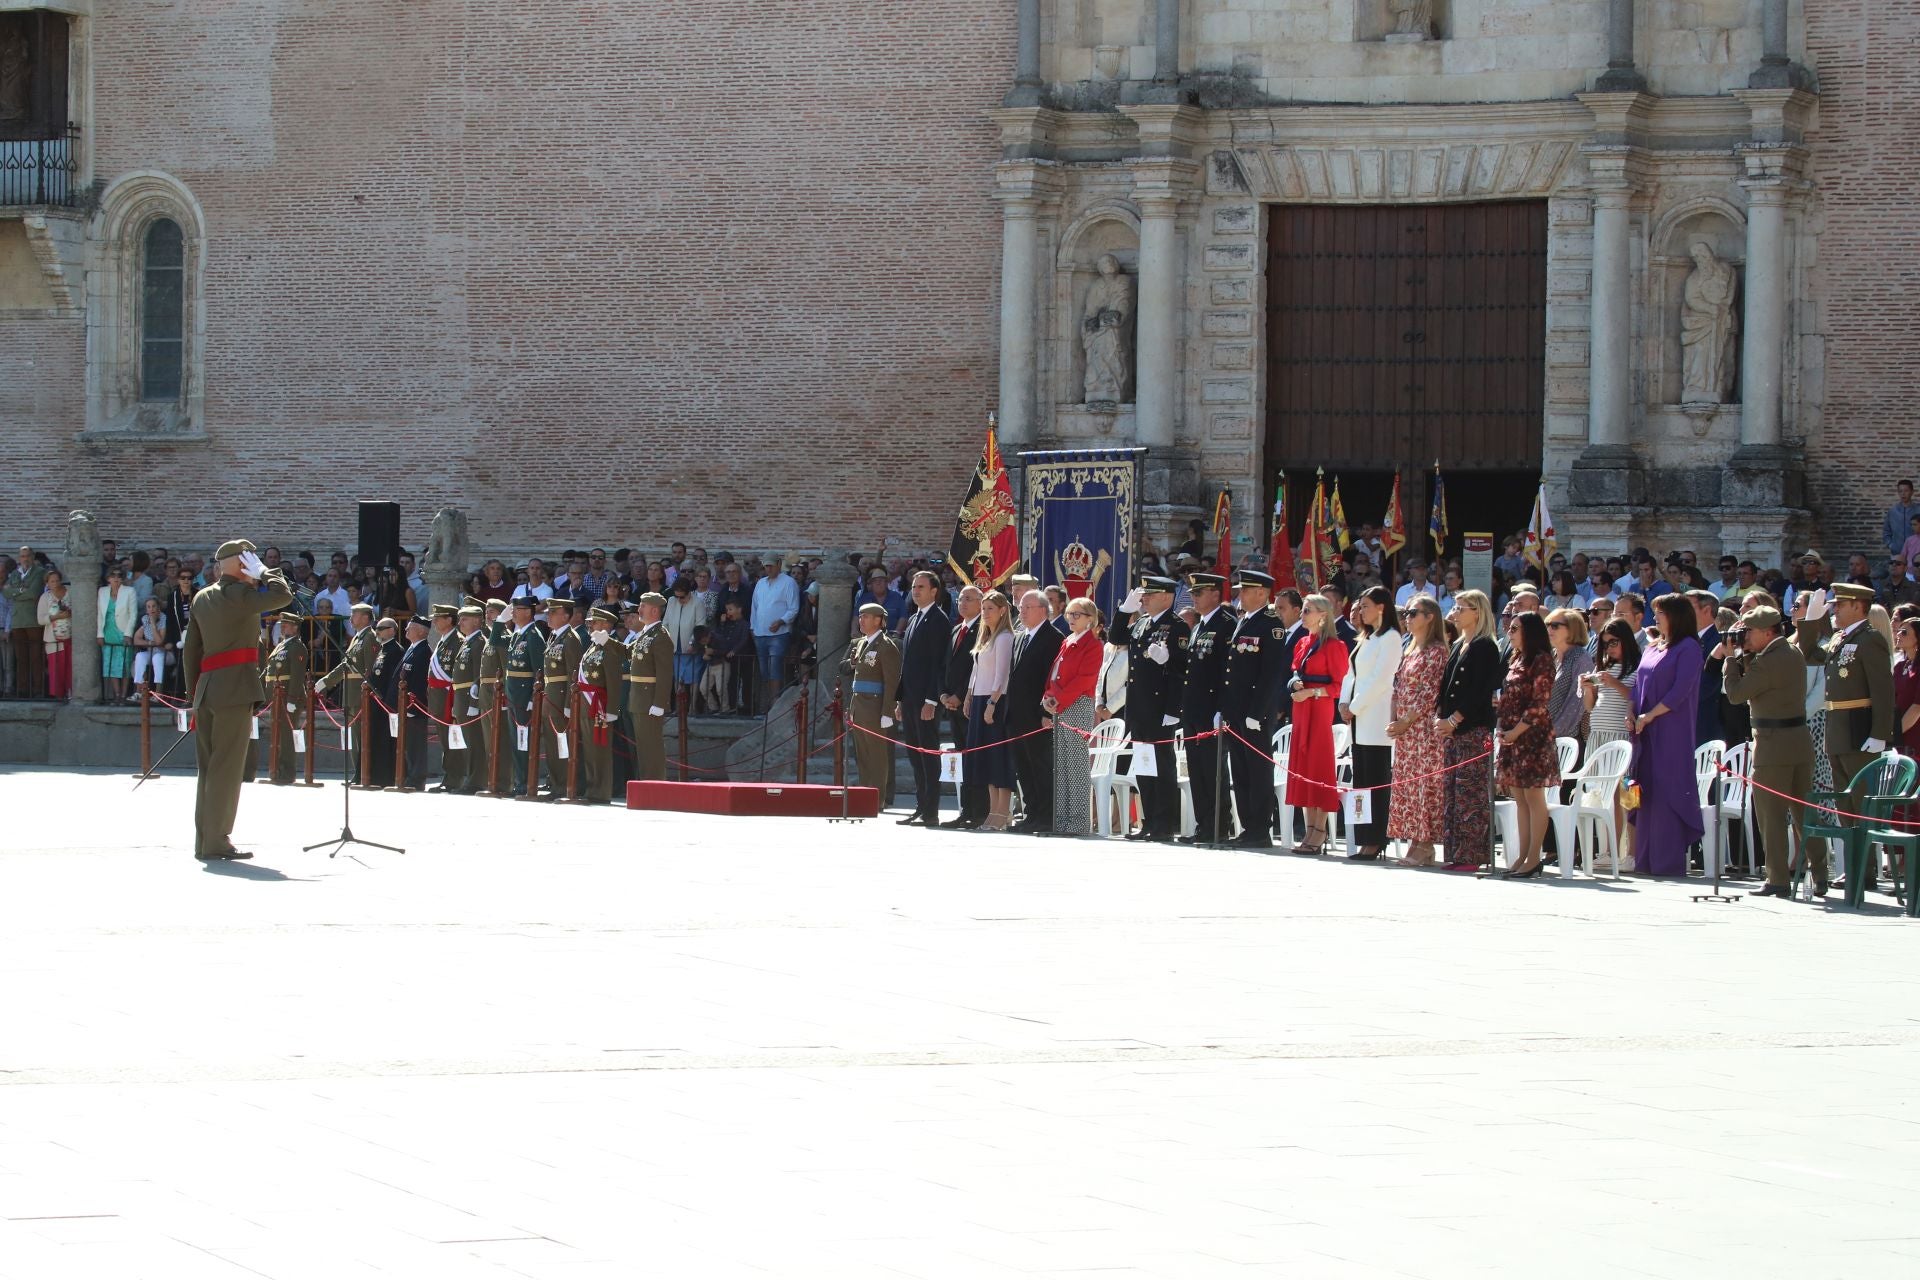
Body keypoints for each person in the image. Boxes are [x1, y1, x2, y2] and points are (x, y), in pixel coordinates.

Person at [181, 540, 294, 860]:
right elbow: (282, 596)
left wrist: (194, 694)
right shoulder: (240, 595)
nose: (253, 564)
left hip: (207, 689)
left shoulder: (203, 597)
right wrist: (268, 572)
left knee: (209, 768)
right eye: (249, 559)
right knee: (227, 769)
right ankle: (217, 841)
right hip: (234, 690)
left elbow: (192, 650)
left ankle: (204, 839)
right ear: (239, 564)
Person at [1793, 582, 1895, 890]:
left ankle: (1864, 871)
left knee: (1859, 803)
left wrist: (1880, 733)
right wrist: (1809, 620)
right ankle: (1855, 869)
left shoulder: (1870, 639)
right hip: (1837, 729)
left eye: (1841, 604)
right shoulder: (1840, 638)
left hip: (1859, 729)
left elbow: (1883, 691)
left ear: (1858, 606)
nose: (1835, 609)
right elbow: (1809, 652)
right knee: (1844, 807)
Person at [1723, 606, 1820, 897]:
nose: (1744, 637)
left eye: (1749, 632)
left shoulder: (1767, 661)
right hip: (1798, 740)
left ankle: (1777, 878)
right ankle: (1821, 872)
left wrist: (1730, 660)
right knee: (1805, 813)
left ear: (1767, 632)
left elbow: (1737, 694)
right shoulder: (1792, 652)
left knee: (1771, 814)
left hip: (1772, 743)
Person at [1625, 594, 1705, 877]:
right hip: (1643, 731)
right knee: (1643, 790)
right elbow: (1637, 685)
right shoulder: (1651, 648)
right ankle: (1643, 859)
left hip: (1671, 731)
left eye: (1660, 613)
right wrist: (1632, 711)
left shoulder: (1689, 648)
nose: (1655, 618)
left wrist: (1651, 715)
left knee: (1666, 790)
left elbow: (1680, 690)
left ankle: (1666, 861)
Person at [1219, 570, 1290, 850]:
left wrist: (1257, 712)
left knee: (1258, 769)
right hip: (1237, 709)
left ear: (1262, 593)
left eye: (1245, 590)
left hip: (1255, 712)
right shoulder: (1245, 621)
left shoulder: (1270, 625)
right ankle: (1248, 826)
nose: (1240, 595)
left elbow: (1269, 675)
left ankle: (1260, 828)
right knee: (1240, 769)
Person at [1437, 589, 1501, 871]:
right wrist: (1441, 718)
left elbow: (1479, 691)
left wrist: (1455, 719)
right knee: (1453, 791)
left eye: (1463, 608)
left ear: (1477, 611)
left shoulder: (1485, 646)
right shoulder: (1459, 644)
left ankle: (1472, 855)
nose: (1457, 612)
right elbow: (1446, 686)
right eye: (1456, 607)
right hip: (1453, 729)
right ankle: (1455, 852)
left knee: (1471, 794)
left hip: (1472, 728)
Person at [1124, 577, 1190, 842]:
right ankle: (1148, 820)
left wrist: (1173, 708)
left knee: (1162, 766)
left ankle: (1164, 824)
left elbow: (1181, 671)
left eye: (1150, 595)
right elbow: (1117, 636)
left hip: (1160, 707)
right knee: (1143, 766)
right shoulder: (1140, 623)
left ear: (1166, 597)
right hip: (1139, 706)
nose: (1145, 599)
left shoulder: (1177, 626)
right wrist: (1124, 611)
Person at [1284, 594, 1351, 855]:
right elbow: (1294, 672)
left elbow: (1338, 686)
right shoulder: (1302, 642)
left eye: (1307, 610)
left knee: (1318, 767)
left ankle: (1319, 830)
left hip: (1319, 709)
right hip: (1301, 708)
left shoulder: (1335, 646)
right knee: (1302, 766)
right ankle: (1309, 827)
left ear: (1323, 615)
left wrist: (1311, 693)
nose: (1302, 615)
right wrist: (1295, 685)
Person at [1495, 611, 1560, 878]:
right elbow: (1506, 697)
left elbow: (1539, 703)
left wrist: (1517, 731)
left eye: (1514, 629)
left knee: (1534, 797)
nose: (1509, 633)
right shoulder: (1516, 659)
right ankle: (1522, 854)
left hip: (1532, 738)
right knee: (1519, 797)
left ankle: (1534, 856)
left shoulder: (1542, 660)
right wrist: (1502, 727)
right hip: (1511, 735)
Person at [1387, 595, 1448, 866]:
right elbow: (1398, 686)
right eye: (1407, 613)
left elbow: (1429, 693)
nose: (1408, 618)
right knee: (1409, 787)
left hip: (1423, 729)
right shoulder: (1409, 648)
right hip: (1406, 732)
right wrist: (1394, 719)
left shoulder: (1437, 651)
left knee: (1425, 786)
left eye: (1414, 613)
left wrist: (1406, 720)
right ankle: (1415, 840)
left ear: (1430, 617)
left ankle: (1425, 844)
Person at [1343, 586, 1402, 859]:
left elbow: (1381, 680)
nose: (1360, 611)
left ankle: (1376, 839)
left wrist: (1354, 706)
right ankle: (1363, 836)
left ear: (1381, 607)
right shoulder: (1366, 638)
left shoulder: (1390, 637)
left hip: (1375, 720)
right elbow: (1351, 674)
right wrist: (1344, 702)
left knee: (1376, 782)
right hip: (1358, 722)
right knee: (1361, 782)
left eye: (1365, 605)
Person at [1179, 573, 1234, 844]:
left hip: (1212, 709)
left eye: (1199, 593)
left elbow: (1227, 672)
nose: (1194, 598)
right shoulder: (1201, 625)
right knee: (1197, 771)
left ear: (1215, 594)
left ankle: (1219, 826)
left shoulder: (1226, 625)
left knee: (1214, 771)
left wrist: (1221, 709)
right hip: (1194, 710)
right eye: (1193, 593)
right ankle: (1203, 825)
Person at [1041, 597, 1103, 836]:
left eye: (1077, 614)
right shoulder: (1067, 641)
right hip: (1061, 705)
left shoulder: (1093, 644)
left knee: (1076, 765)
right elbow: (1054, 673)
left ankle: (1077, 822)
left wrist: (1060, 699)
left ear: (1090, 618)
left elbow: (1085, 679)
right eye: (1069, 614)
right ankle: (1062, 820)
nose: (1071, 619)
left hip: (1077, 704)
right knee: (1062, 765)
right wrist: (1049, 695)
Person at [894, 570, 952, 826]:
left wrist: (931, 701)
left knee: (928, 755)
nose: (915, 590)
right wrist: (900, 699)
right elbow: (908, 664)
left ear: (933, 591)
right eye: (913, 586)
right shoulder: (916, 617)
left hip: (925, 701)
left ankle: (931, 811)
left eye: (921, 587)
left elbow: (939, 664)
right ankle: (921, 806)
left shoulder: (938, 620)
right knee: (915, 755)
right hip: (910, 698)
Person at [1005, 590, 1064, 832]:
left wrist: (1046, 712)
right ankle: (1030, 813)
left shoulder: (1053, 637)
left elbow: (1051, 679)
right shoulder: (1021, 637)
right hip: (1017, 714)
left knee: (1040, 766)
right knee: (1023, 767)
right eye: (1020, 606)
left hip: (1037, 715)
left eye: (1027, 607)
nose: (1022, 610)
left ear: (1043, 609)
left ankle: (1045, 816)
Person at [965, 590, 1017, 831]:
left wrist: (992, 703)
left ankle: (1002, 812)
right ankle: (992, 810)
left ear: (1003, 611)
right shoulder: (985, 637)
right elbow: (977, 671)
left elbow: (1002, 674)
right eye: (983, 609)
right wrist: (969, 696)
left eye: (990, 609)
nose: (985, 613)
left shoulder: (1005, 637)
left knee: (998, 757)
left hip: (995, 699)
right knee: (984, 758)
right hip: (978, 698)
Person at [842, 602, 902, 804]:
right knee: (863, 755)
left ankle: (877, 798)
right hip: (859, 704)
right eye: (860, 616)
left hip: (876, 706)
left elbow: (892, 681)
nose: (861, 620)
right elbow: (847, 669)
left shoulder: (886, 646)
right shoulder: (860, 643)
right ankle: (865, 795)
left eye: (866, 617)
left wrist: (888, 711)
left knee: (877, 755)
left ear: (879, 620)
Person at [940, 585, 987, 829]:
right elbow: (946, 665)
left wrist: (959, 695)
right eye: (960, 599)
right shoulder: (956, 629)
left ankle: (978, 812)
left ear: (981, 602)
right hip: (952, 703)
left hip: (969, 703)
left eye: (969, 599)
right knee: (961, 758)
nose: (963, 602)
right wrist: (944, 694)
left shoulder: (983, 629)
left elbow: (974, 667)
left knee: (974, 758)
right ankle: (965, 810)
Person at [573, 607, 625, 803]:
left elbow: (613, 680)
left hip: (600, 704)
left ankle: (601, 791)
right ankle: (592, 788)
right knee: (590, 749)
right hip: (588, 703)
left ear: (605, 625)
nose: (590, 625)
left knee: (600, 749)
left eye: (594, 622)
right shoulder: (593, 646)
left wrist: (612, 710)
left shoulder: (609, 647)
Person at [626, 591, 675, 781]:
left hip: (649, 699)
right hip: (639, 698)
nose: (639, 610)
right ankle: (645, 783)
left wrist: (659, 703)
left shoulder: (661, 636)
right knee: (643, 746)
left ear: (654, 610)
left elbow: (664, 673)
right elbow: (626, 652)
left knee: (651, 746)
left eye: (643, 606)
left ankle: (654, 784)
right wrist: (607, 643)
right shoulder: (645, 634)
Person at [535, 598, 581, 798]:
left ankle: (564, 784)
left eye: (554, 612)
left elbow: (573, 673)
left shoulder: (570, 638)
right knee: (552, 745)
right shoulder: (554, 636)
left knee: (562, 744)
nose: (549, 616)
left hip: (561, 698)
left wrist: (569, 704)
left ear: (566, 616)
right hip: (550, 698)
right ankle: (555, 782)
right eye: (549, 612)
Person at [259, 612, 308, 785]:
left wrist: (293, 699)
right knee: (277, 735)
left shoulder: (297, 647)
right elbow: (269, 670)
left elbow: (297, 675)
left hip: (287, 696)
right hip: (276, 696)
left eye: (286, 624)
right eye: (282, 624)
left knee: (286, 737)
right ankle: (276, 770)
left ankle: (286, 773)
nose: (283, 627)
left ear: (295, 627)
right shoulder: (282, 645)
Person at [5, 547, 46, 698]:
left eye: (28, 556)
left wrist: (16, 592)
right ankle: (22, 690)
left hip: (33, 619)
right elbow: (6, 592)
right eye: (22, 556)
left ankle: (37, 690)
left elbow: (34, 592)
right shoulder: (15, 573)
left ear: (33, 556)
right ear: (19, 558)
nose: (25, 559)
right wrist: (22, 591)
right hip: (17, 620)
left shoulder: (40, 572)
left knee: (36, 657)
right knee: (21, 658)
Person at [97, 566, 137, 703]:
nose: (116, 578)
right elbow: (99, 615)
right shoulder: (102, 591)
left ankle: (124, 695)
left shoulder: (129, 591)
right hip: (108, 631)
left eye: (119, 575)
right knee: (111, 664)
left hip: (123, 631)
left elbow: (133, 614)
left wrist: (128, 634)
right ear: (108, 578)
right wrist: (100, 634)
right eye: (113, 575)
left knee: (125, 664)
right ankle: (117, 694)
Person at [37, 569, 73, 700]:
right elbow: (40, 619)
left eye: (57, 580)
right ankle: (59, 695)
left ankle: (71, 693)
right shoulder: (45, 597)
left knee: (71, 668)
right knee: (56, 669)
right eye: (52, 581)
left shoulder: (70, 592)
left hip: (71, 638)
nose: (56, 583)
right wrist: (57, 616)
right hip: (53, 640)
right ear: (47, 583)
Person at [131, 595, 172, 703]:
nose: (151, 609)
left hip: (166, 653)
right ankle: (138, 691)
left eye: (153, 606)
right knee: (140, 656)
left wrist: (153, 623)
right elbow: (136, 640)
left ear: (158, 607)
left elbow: (160, 641)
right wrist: (150, 643)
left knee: (157, 658)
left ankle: (158, 693)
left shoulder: (163, 618)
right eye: (148, 607)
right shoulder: (145, 619)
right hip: (152, 651)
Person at [1887, 479, 1920, 560]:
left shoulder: (1918, 510)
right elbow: (1886, 531)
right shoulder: (1892, 511)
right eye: (1900, 491)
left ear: (1912, 492)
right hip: (1897, 552)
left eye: (1906, 491)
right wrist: (1891, 545)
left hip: (1916, 553)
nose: (1903, 494)